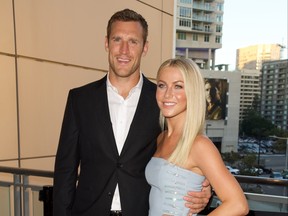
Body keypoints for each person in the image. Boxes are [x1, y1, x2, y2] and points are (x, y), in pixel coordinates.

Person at [53, 9, 212, 216]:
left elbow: (189, 146)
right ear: (106, 43)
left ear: (145, 47)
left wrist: (204, 188)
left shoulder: (162, 100)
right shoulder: (80, 99)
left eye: (133, 41)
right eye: (117, 39)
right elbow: (65, 170)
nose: (124, 50)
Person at [145, 58, 249, 216]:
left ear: (192, 93)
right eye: (162, 85)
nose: (168, 94)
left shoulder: (199, 145)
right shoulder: (162, 138)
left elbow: (238, 204)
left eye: (178, 86)